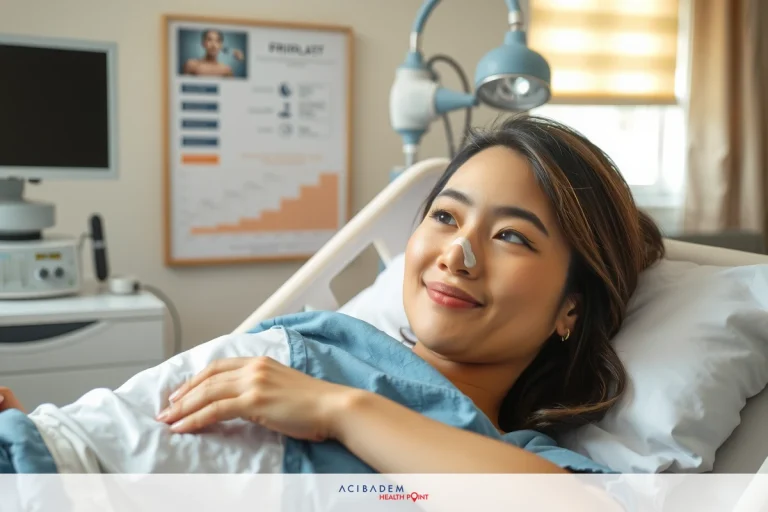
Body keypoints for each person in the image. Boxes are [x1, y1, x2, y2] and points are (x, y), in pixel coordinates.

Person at [0, 115, 663, 484]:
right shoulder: (328, 339)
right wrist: (49, 438)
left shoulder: (523, 466)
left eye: (512, 235)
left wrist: (339, 410)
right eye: (445, 217)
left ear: (571, 306)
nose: (457, 254)